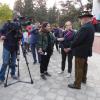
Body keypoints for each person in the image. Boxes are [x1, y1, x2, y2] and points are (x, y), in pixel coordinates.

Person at [64, 11, 95, 89]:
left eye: (81, 19)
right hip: (86, 51)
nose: (80, 20)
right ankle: (83, 79)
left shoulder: (84, 27)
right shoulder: (91, 26)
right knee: (84, 66)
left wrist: (70, 47)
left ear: (85, 19)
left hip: (80, 51)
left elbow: (77, 40)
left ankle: (77, 84)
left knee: (79, 68)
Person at [0, 19, 22, 84]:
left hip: (15, 47)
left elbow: (21, 35)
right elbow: (1, 31)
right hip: (7, 46)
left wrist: (20, 38)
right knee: (5, 63)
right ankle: (1, 77)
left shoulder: (18, 26)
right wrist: (1, 36)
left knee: (13, 62)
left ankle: (13, 74)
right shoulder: (6, 25)